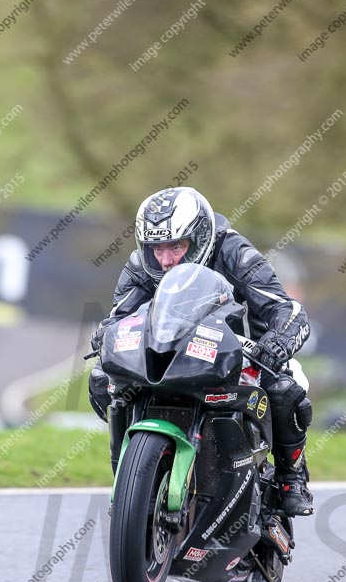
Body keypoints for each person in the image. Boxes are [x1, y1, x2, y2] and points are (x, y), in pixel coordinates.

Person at [89, 187, 313, 516]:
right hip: (171, 351)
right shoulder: (141, 265)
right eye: (156, 249)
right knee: (102, 379)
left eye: (175, 247)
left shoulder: (236, 253)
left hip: (243, 353)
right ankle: (128, 483)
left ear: (200, 238)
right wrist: (104, 335)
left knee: (283, 389)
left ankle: (291, 477)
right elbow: (119, 318)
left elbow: (287, 309)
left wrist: (278, 342)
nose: (165, 260)